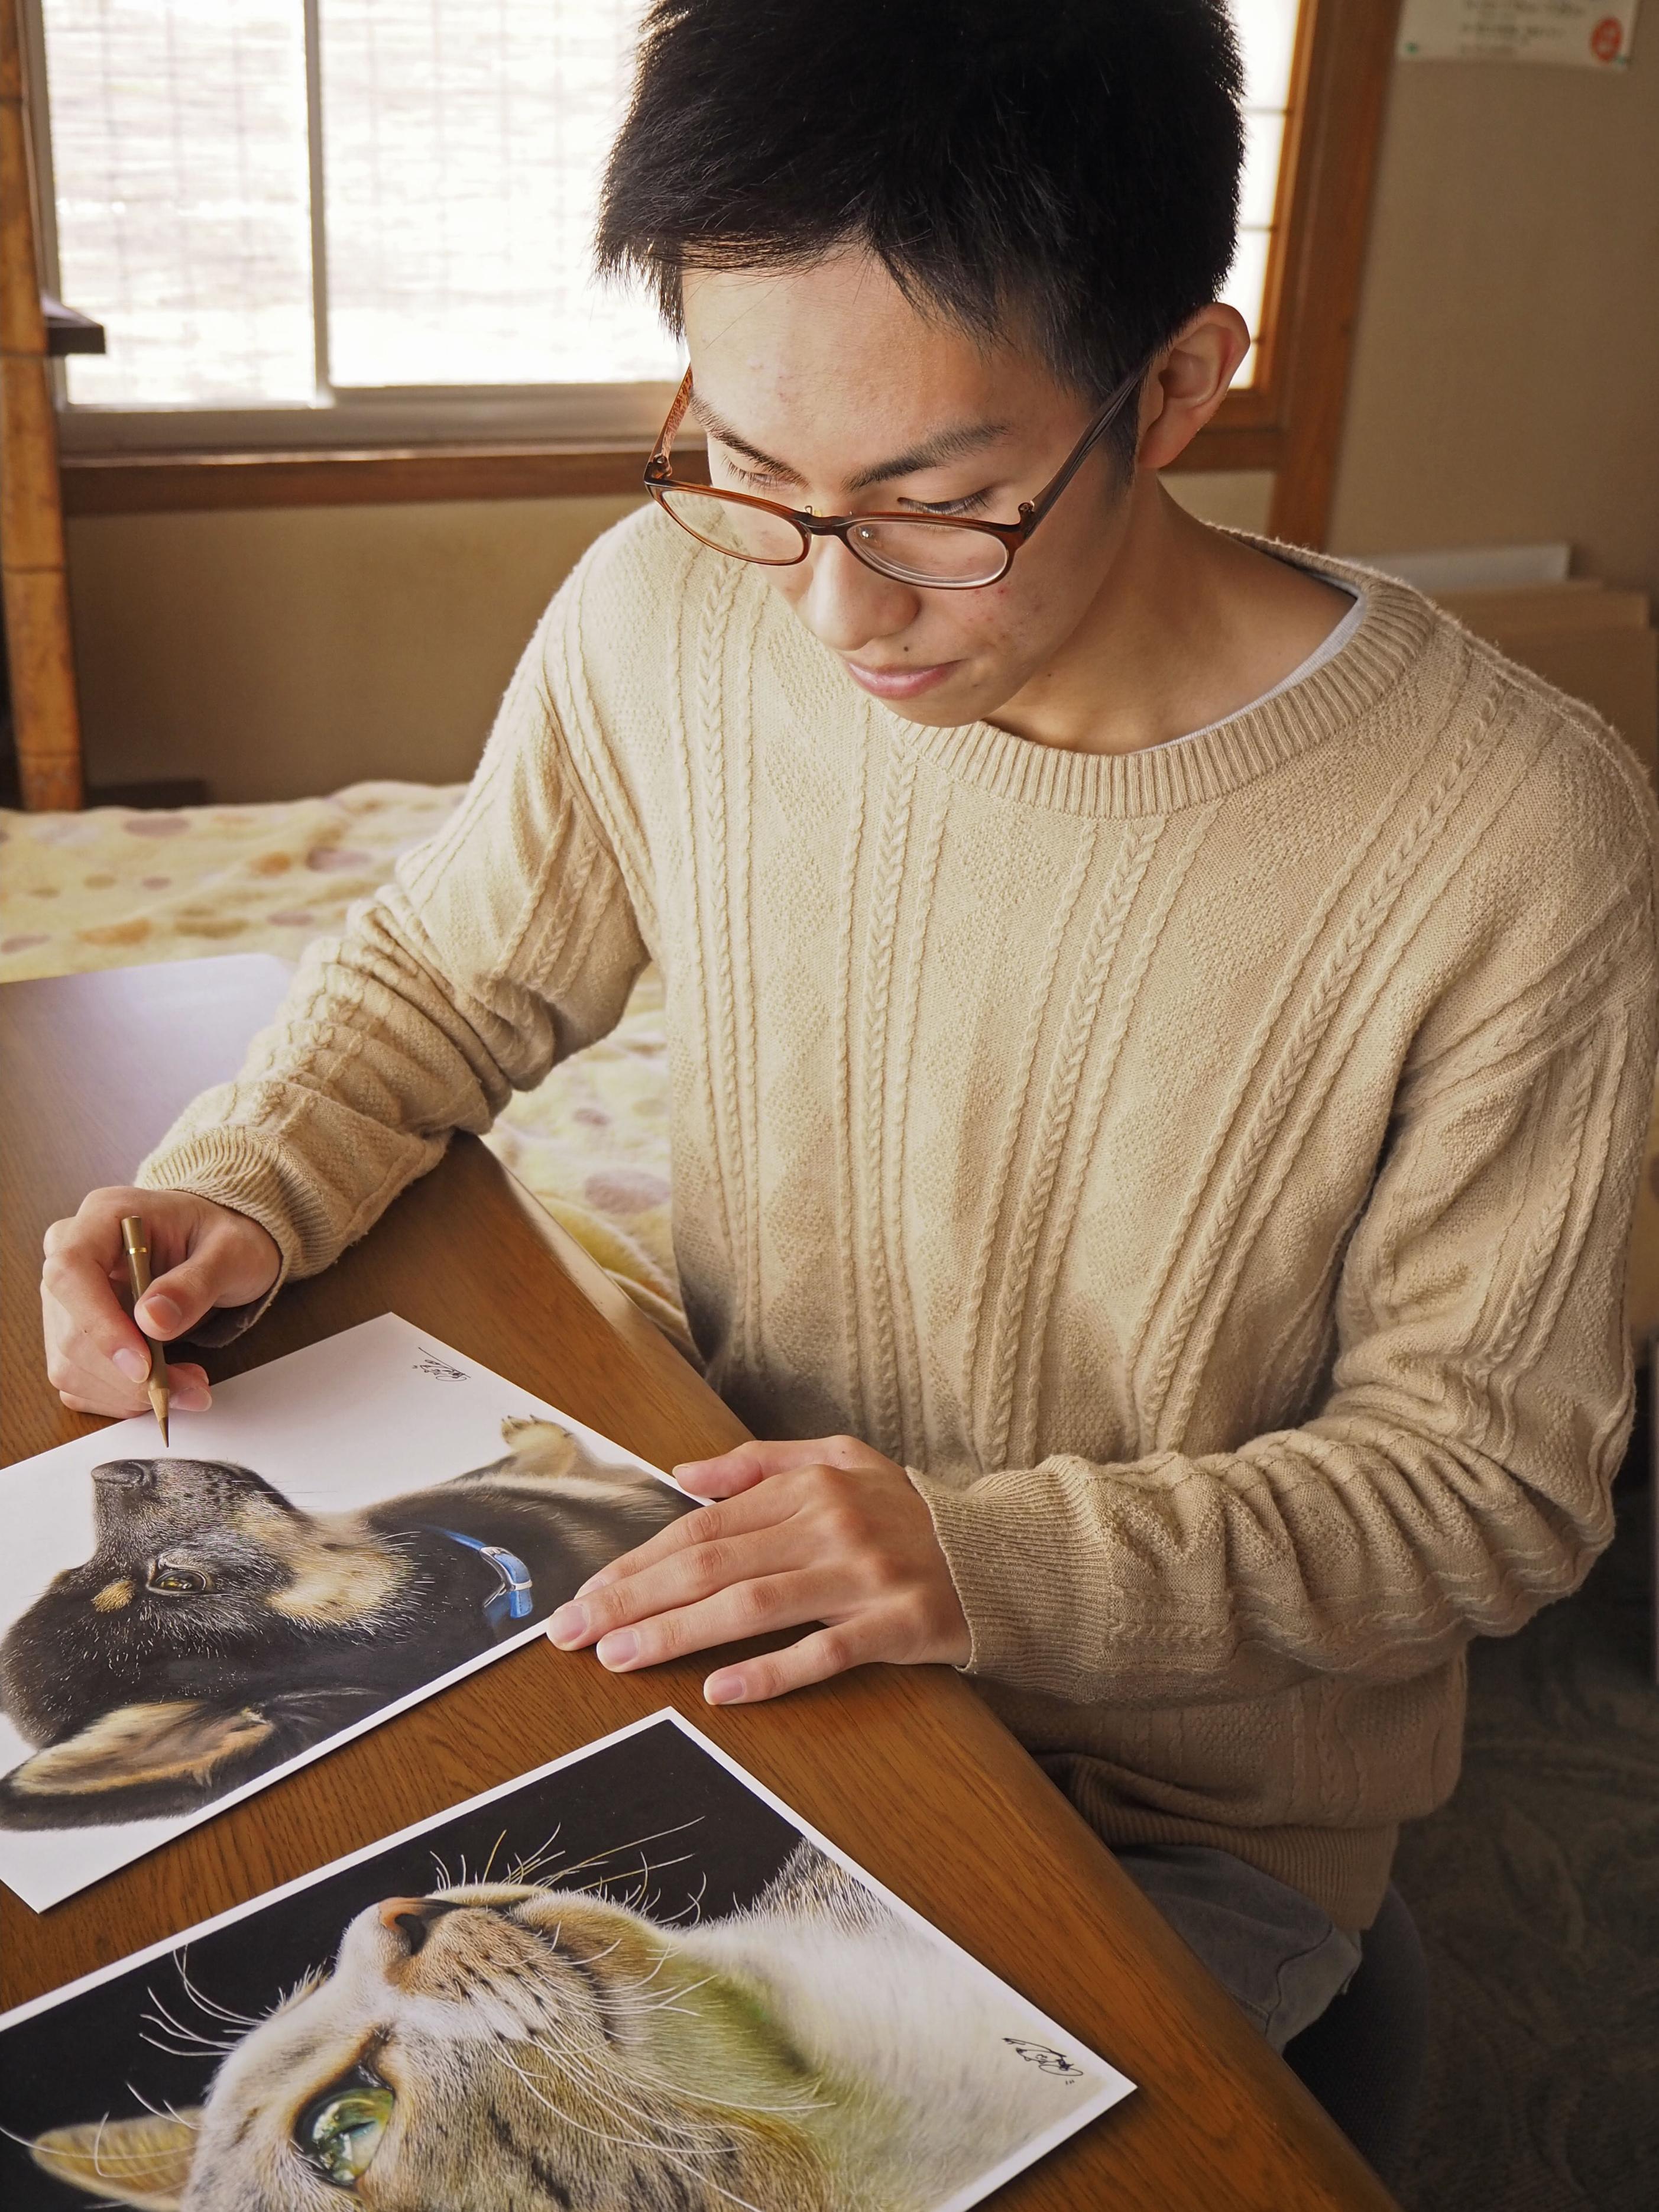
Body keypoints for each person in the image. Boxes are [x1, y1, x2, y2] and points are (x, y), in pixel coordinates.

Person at [38, 0, 1658, 2060]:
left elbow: (1483, 1490)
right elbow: (450, 970)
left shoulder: (1515, 831)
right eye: (748, 467)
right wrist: (234, 1183)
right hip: (723, 1612)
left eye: (934, 504)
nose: (832, 608)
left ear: (1174, 386)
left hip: (1169, 1807)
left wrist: (967, 1558)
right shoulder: (668, 608)